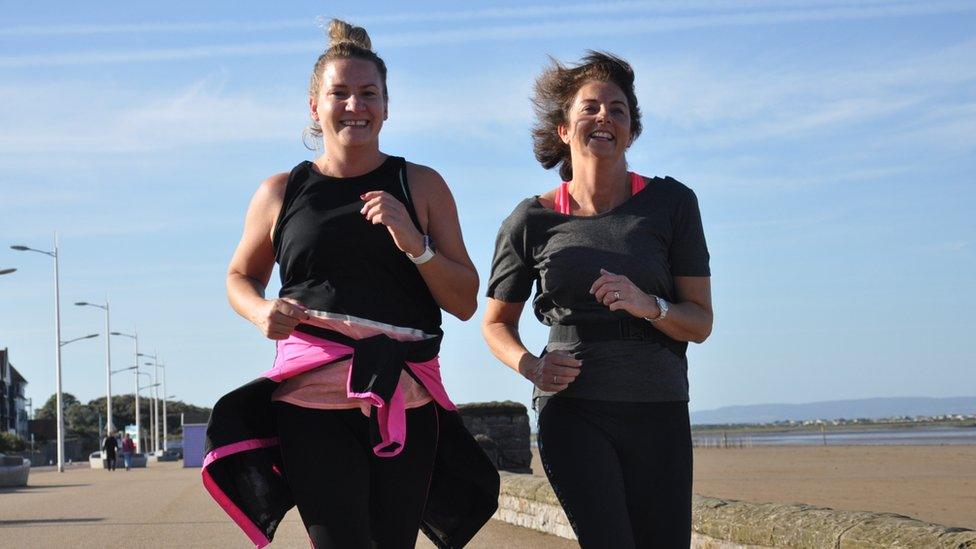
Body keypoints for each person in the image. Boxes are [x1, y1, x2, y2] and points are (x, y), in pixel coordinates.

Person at [202, 19, 498, 549]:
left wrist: (415, 243)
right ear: (314, 106)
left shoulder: (422, 185)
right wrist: (258, 311)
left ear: (387, 106)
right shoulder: (280, 191)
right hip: (309, 404)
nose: (355, 106)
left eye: (368, 94)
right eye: (340, 94)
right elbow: (239, 277)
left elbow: (463, 300)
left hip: (404, 399)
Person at [482, 51, 713, 548]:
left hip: (659, 405)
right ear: (564, 129)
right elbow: (496, 324)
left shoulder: (673, 204)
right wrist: (531, 367)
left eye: (618, 109)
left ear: (631, 131)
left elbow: (700, 323)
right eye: (589, 107)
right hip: (574, 408)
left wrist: (651, 305)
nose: (604, 116)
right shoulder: (530, 221)